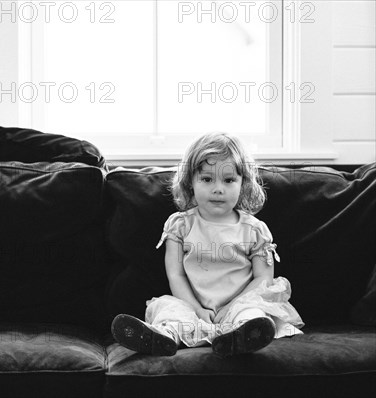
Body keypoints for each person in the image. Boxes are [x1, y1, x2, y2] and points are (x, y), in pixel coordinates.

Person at [111, 132, 304, 357]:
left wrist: (233, 306)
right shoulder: (180, 225)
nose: (218, 189)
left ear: (243, 184)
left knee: (252, 313)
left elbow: (264, 278)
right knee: (171, 311)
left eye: (229, 180)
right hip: (193, 306)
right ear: (190, 183)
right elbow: (176, 275)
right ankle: (163, 337)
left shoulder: (254, 229)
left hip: (239, 304)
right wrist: (197, 309)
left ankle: (241, 337)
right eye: (207, 179)